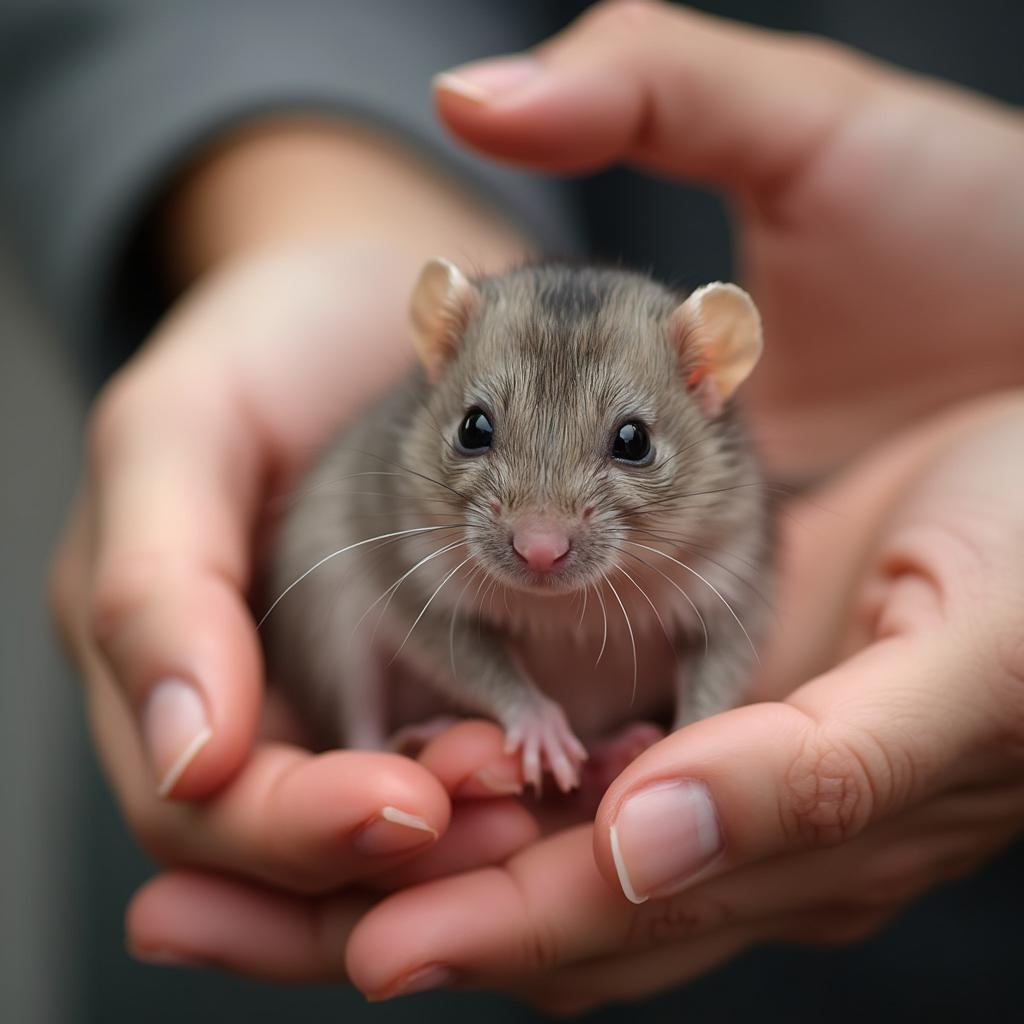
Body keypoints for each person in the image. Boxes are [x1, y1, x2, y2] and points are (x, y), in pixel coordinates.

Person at [8, 0, 1022, 1017]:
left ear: (709, 372)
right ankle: (365, 732)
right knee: (325, 535)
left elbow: (728, 626)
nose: (537, 540)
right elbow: (422, 606)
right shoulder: (417, 498)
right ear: (437, 345)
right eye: (479, 435)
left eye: (628, 446)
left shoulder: (726, 511)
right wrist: (515, 702)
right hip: (331, 951)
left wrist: (691, 737)